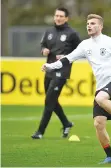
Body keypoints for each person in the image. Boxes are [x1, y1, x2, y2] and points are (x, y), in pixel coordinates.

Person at [42, 14, 111, 164]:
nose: (89, 25)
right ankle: (110, 157)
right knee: (98, 124)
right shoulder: (85, 45)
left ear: (100, 26)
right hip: (101, 87)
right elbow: (67, 59)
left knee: (100, 98)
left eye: (93, 23)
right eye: (88, 23)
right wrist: (50, 66)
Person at [31, 7, 81, 139]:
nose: (58, 18)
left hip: (62, 72)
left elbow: (81, 51)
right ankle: (66, 123)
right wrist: (44, 50)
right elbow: (42, 45)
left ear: (66, 18)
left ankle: (40, 132)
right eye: (56, 15)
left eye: (61, 16)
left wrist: (66, 56)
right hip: (49, 70)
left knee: (49, 100)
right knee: (51, 100)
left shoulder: (72, 34)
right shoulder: (49, 31)